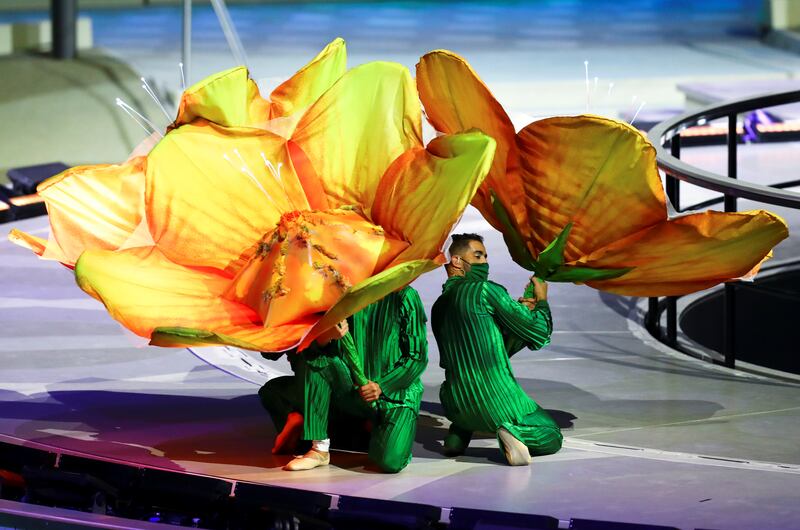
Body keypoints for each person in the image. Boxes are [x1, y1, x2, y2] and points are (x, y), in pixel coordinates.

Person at [259, 286, 428, 472]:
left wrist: (382, 386)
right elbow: (302, 354)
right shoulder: (337, 294)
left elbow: (417, 357)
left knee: (389, 461)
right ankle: (319, 447)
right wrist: (325, 337)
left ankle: (360, 429)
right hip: (350, 392)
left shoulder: (405, 295)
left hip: (395, 396)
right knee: (304, 369)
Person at [431, 233, 562, 466]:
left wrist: (518, 312)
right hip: (496, 399)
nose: (485, 263)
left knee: (466, 382)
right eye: (478, 256)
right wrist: (541, 302)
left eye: (486, 256)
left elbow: (486, 348)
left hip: (455, 403)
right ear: (457, 261)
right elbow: (538, 332)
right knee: (551, 435)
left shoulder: (438, 306)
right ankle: (512, 432)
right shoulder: (484, 290)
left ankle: (456, 438)